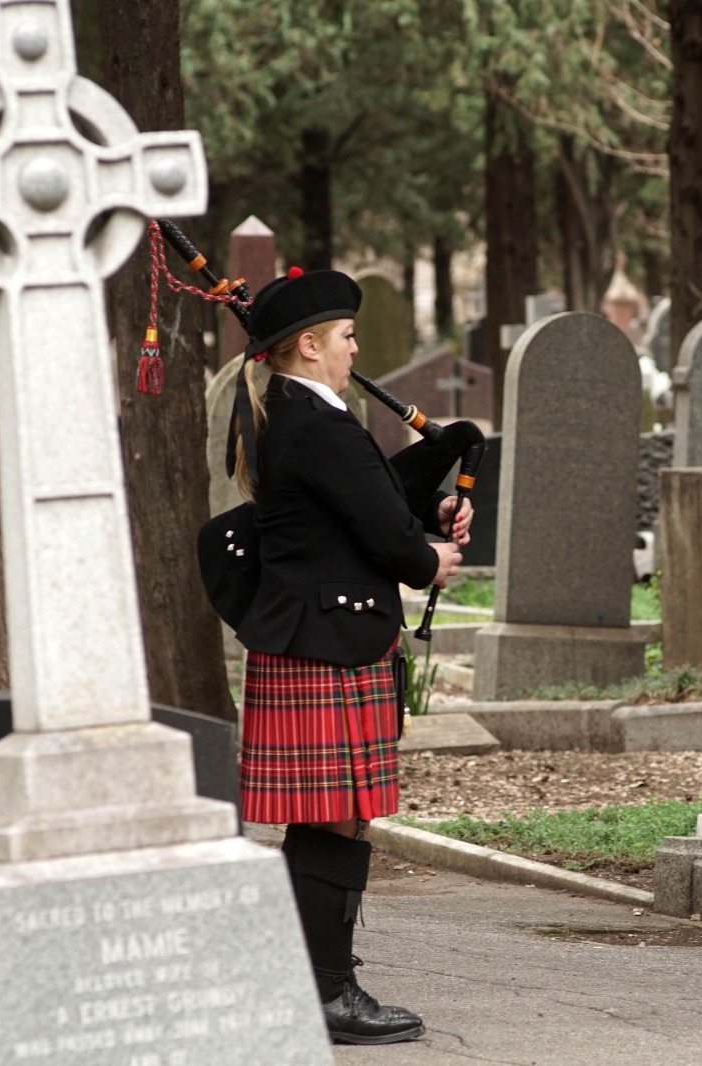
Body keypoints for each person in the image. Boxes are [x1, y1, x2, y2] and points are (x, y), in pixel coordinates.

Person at [234, 267, 471, 1046]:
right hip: (327, 644)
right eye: (346, 337)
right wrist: (429, 555)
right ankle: (330, 993)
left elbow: (360, 501)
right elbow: (387, 539)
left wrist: (427, 505)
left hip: (317, 636)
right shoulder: (315, 422)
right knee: (337, 820)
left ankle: (316, 980)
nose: (354, 348)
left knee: (330, 817)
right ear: (307, 346)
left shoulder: (295, 414)